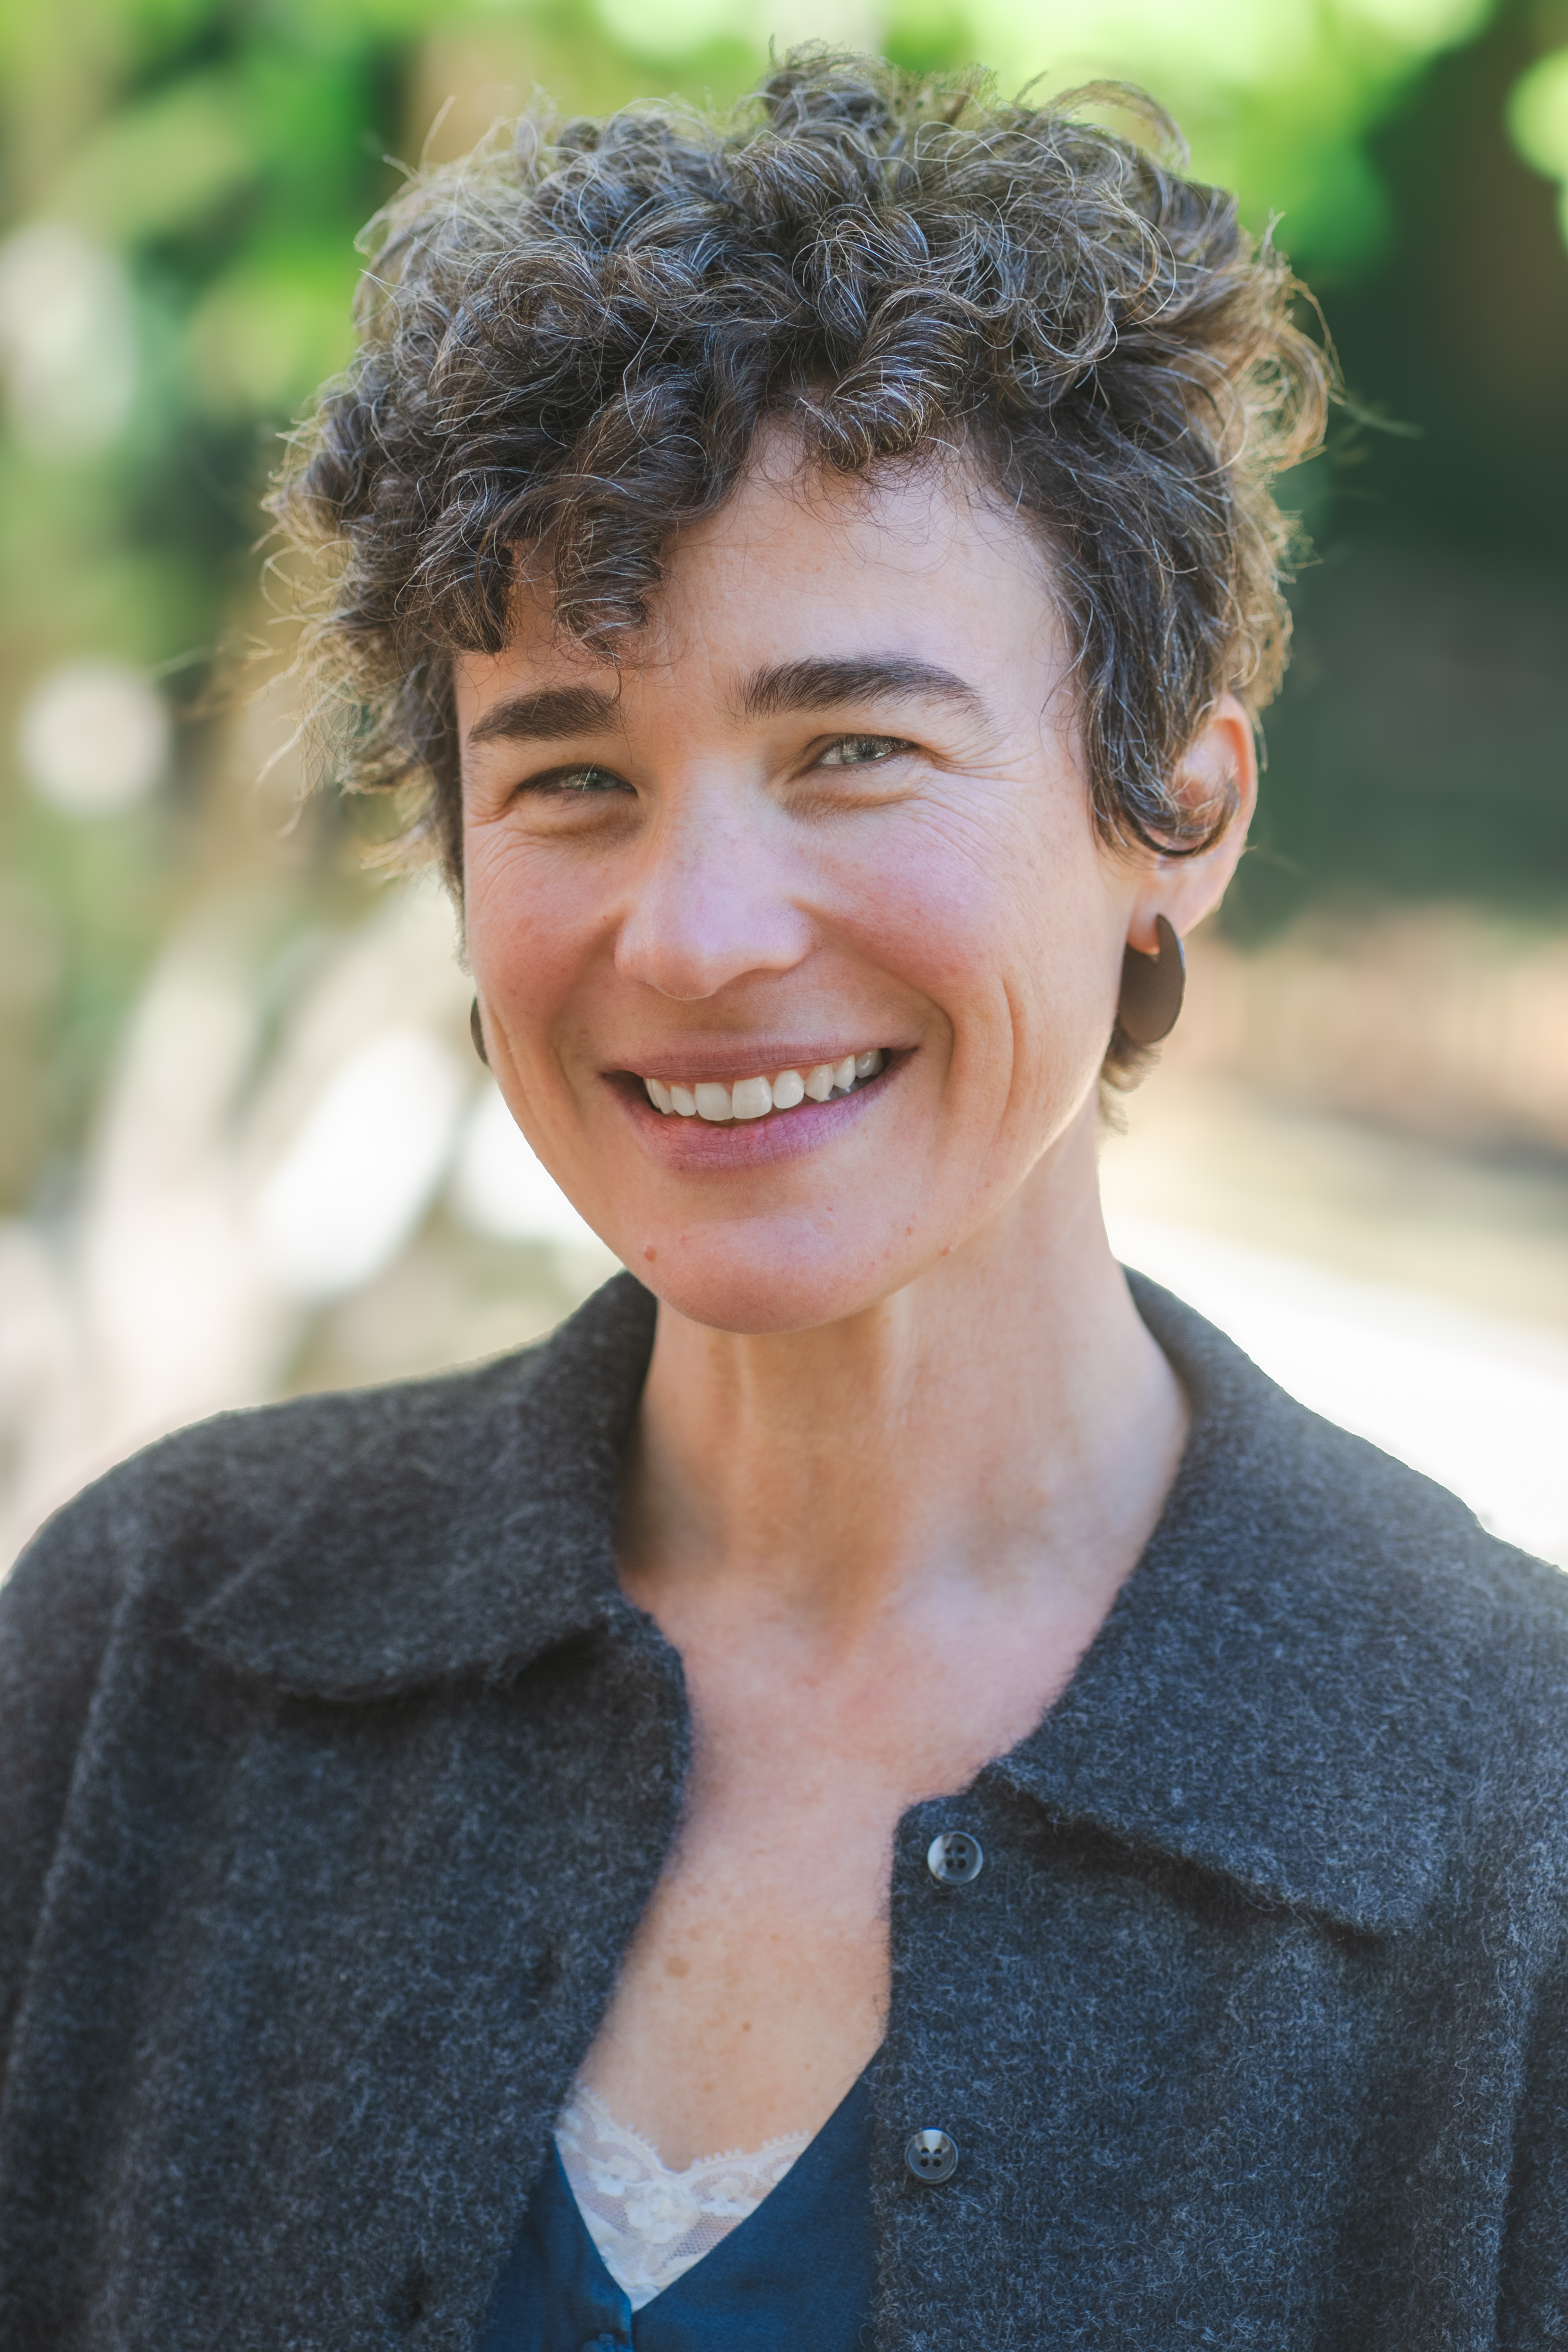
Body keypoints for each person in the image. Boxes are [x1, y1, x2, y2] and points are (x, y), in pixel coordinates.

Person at [2, 53, 1565, 2351]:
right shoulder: (146, 1642)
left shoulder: (1511, 1824)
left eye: (854, 749)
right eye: (570, 774)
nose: (697, 932)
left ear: (1184, 807)